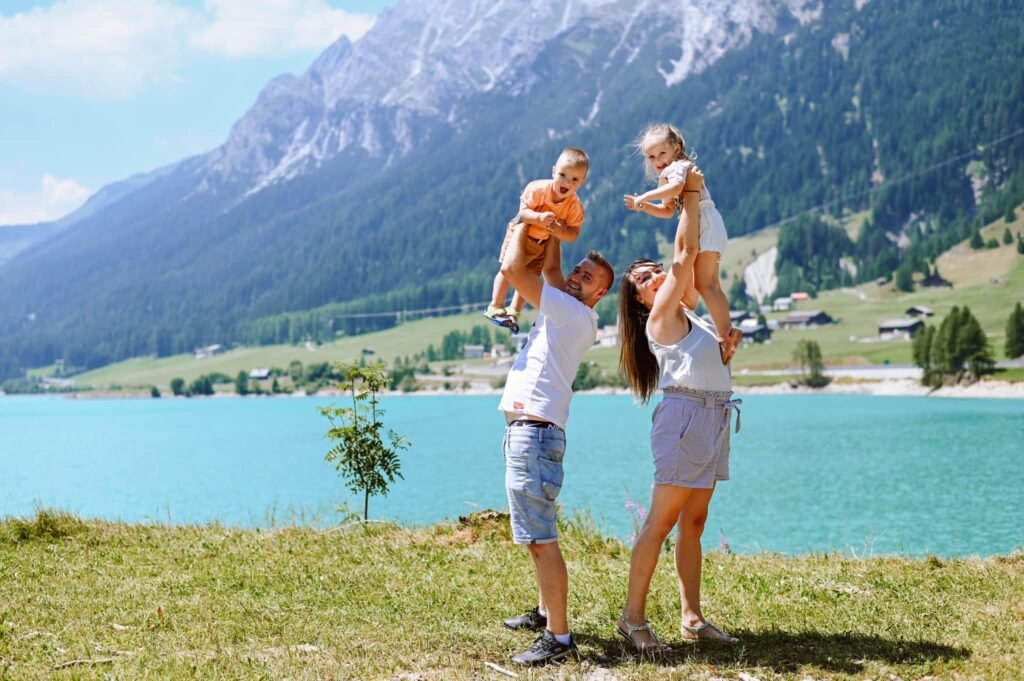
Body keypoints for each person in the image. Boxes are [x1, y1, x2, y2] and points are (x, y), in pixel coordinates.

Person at [615, 169, 742, 652]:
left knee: (694, 522)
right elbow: (686, 256)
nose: (652, 277)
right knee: (661, 522)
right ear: (643, 302)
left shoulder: (689, 317)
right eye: (643, 280)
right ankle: (633, 620)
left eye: (651, 270)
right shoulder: (663, 316)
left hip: (712, 415)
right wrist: (690, 194)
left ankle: (691, 618)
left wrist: (727, 345)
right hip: (686, 418)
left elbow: (711, 358)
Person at [497, 224, 614, 665]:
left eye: (588, 278)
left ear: (598, 295)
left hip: (534, 433)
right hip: (531, 430)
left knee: (541, 538)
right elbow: (552, 267)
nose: (576, 277)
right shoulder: (568, 308)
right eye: (579, 270)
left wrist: (524, 223)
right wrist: (555, 225)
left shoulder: (569, 311)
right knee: (533, 534)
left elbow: (511, 268)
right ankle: (546, 612)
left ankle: (559, 639)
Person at [623, 123, 742, 363]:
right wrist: (646, 206)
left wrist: (644, 197)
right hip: (703, 220)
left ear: (676, 149)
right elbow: (667, 210)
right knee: (707, 283)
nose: (658, 160)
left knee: (706, 283)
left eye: (662, 153)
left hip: (703, 218)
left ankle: (725, 334)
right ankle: (726, 332)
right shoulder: (667, 175)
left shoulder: (679, 167)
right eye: (652, 156)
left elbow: (678, 188)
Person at [485, 147, 589, 333]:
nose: (567, 182)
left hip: (541, 243)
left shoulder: (574, 205)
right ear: (553, 171)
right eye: (563, 175)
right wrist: (539, 218)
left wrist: (560, 231)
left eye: (575, 179)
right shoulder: (538, 189)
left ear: (582, 182)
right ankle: (495, 305)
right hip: (521, 236)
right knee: (507, 271)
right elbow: (523, 213)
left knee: (529, 277)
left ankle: (514, 312)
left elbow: (573, 233)